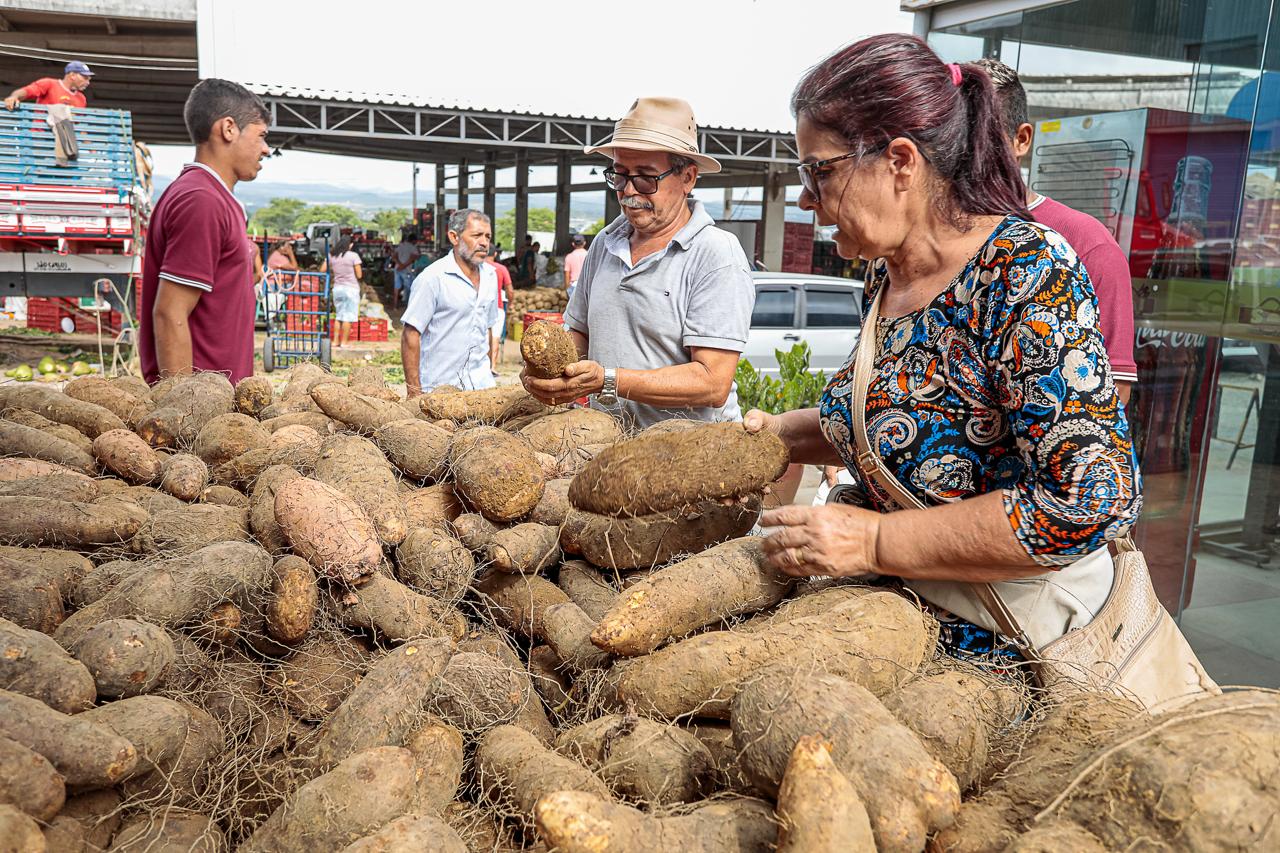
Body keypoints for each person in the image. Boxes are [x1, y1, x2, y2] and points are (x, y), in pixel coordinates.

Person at [746, 35, 1142, 662]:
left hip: (992, 652)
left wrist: (875, 542)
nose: (804, 199)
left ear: (899, 161)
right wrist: (769, 435)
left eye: (818, 171)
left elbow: (1087, 502)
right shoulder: (888, 272)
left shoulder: (1026, 270)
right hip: (878, 623)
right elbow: (901, 425)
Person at [521, 96, 755, 430]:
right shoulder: (604, 243)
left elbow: (712, 382)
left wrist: (607, 380)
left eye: (645, 178)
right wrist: (547, 366)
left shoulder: (716, 255)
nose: (629, 190)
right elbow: (580, 334)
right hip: (607, 441)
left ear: (688, 177)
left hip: (692, 452)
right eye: (619, 175)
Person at [977, 58, 1138, 404]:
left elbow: (1114, 392)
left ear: (1021, 140)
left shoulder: (1085, 242)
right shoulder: (926, 239)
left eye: (981, 140)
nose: (964, 155)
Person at [138, 79, 269, 384]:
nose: (266, 149)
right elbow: (170, 314)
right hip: (202, 408)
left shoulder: (212, 197)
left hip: (218, 406)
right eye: (261, 135)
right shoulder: (202, 200)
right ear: (228, 129)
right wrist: (185, 414)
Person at [401, 209, 498, 395]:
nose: (484, 243)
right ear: (454, 237)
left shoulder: (491, 276)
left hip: (482, 387)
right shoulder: (432, 279)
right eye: (477, 235)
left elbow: (487, 328)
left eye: (488, 236)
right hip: (440, 389)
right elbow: (410, 335)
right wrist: (414, 391)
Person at [320, 235, 362, 348]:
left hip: (338, 288)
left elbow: (322, 269)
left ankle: (335, 341)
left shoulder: (332, 255)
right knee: (348, 316)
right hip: (351, 289)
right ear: (350, 245)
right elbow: (359, 275)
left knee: (339, 316)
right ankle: (344, 342)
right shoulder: (353, 256)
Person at [4, 61, 94, 110]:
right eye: (85, 77)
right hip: (40, 138)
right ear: (72, 75)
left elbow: (80, 125)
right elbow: (27, 91)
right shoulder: (49, 84)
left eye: (89, 79)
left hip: (64, 140)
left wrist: (88, 144)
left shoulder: (81, 98)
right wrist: (14, 97)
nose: (87, 82)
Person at [487, 249, 514, 371]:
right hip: (497, 307)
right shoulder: (501, 269)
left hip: (479, 308)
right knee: (495, 336)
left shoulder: (476, 267)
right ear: (495, 254)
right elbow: (510, 290)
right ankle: (492, 366)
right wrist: (511, 303)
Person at [392, 231, 420, 308]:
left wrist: (400, 264)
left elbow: (394, 256)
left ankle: (395, 306)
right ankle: (408, 307)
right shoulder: (413, 247)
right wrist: (404, 265)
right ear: (414, 240)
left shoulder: (401, 246)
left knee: (396, 287)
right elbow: (414, 257)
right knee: (409, 288)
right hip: (406, 270)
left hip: (397, 269)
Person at [563, 234, 587, 300]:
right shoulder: (589, 256)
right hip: (586, 286)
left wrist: (567, 289)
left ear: (573, 244)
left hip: (573, 287)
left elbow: (567, 275)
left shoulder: (569, 257)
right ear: (584, 243)